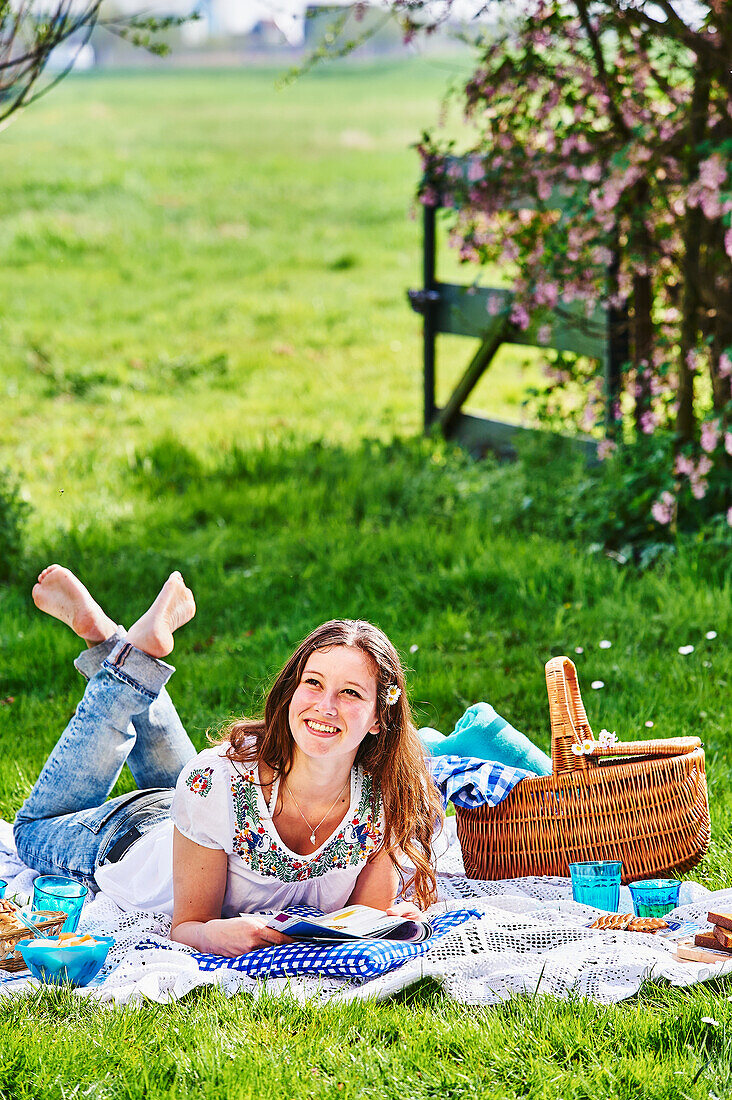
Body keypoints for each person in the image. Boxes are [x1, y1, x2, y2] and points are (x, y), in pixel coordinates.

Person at [13, 566, 443, 957]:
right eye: (313, 683)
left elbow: (363, 923)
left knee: (199, 786)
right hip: (126, 838)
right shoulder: (216, 781)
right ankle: (123, 654)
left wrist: (392, 921)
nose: (326, 706)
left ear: (378, 719)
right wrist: (212, 934)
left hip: (198, 816)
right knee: (31, 831)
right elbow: (187, 928)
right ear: (292, 692)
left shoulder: (387, 792)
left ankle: (123, 647)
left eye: (351, 693)